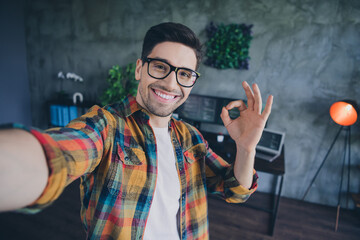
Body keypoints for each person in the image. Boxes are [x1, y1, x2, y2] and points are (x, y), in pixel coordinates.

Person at [0, 22, 273, 239]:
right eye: (160, 67)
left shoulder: (191, 138)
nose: (170, 83)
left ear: (191, 81)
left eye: (185, 74)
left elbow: (236, 191)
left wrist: (246, 148)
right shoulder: (105, 126)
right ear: (140, 69)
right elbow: (58, 153)